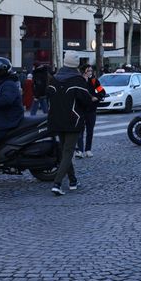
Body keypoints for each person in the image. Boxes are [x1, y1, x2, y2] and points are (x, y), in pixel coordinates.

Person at [47, 51, 91, 195]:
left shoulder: (54, 79)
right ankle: (57, 183)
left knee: (66, 151)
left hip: (56, 120)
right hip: (73, 120)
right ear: (76, 64)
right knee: (67, 152)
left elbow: (48, 97)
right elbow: (86, 101)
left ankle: (72, 181)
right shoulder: (78, 80)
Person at [0, 58, 25, 185]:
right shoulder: (0, 82)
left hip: (6, 121)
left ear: (1, 70)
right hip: (0, 119)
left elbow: (6, 101)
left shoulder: (8, 84)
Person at [75, 64, 105, 159]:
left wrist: (97, 97)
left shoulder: (94, 81)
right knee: (79, 130)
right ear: (83, 71)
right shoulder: (79, 81)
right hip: (80, 109)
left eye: (91, 71)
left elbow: (102, 92)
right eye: (88, 71)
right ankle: (79, 150)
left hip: (91, 109)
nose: (90, 73)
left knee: (90, 130)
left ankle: (88, 150)